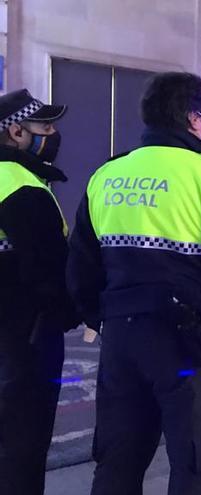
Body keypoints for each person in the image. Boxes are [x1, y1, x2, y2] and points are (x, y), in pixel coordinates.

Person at [66, 72, 201, 495]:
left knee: (117, 463)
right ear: (193, 119)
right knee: (197, 468)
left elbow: (82, 267)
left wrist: (102, 317)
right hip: (190, 345)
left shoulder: (107, 174)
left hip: (122, 341)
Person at [0, 89, 80, 495]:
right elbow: (48, 270)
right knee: (23, 443)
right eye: (44, 126)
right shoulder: (20, 185)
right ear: (16, 132)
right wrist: (75, 311)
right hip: (24, 336)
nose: (52, 133)